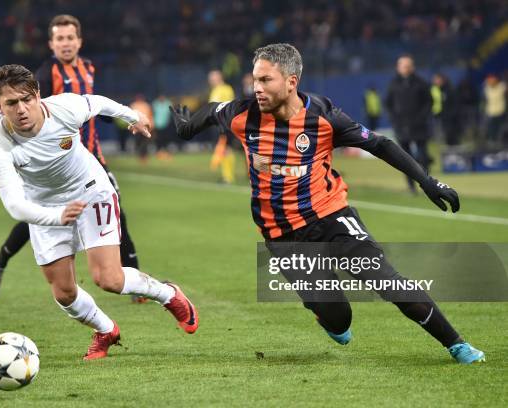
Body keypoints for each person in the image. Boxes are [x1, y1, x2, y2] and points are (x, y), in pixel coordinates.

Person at [170, 43, 484, 364]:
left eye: (266, 80)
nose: (257, 88)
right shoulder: (242, 113)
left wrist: (426, 180)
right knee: (339, 319)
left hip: (331, 215)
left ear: (291, 82)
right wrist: (185, 129)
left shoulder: (323, 117)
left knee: (387, 281)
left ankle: (457, 345)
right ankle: (327, 316)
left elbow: (379, 143)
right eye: (255, 80)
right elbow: (210, 110)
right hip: (283, 237)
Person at [0, 64, 198, 360]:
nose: (21, 109)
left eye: (26, 99)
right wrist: (56, 217)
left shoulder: (64, 108)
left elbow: (97, 102)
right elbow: (14, 205)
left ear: (38, 96)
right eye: (11, 103)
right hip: (46, 208)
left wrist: (132, 116)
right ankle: (105, 329)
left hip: (89, 189)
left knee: (108, 279)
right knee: (64, 293)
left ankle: (169, 295)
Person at [0, 15, 145, 303]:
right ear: (51, 44)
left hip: (88, 157)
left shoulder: (88, 68)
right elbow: (40, 115)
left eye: (70, 38)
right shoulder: (45, 75)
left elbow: (92, 106)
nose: (66, 43)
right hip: (53, 161)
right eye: (60, 39)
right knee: (37, 219)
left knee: (116, 212)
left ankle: (132, 280)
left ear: (79, 41)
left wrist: (123, 119)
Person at [385, 55, 432, 194]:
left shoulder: (421, 83)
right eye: (403, 66)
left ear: (413, 67)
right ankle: (411, 186)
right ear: (398, 68)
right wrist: (395, 120)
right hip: (402, 127)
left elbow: (429, 102)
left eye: (408, 66)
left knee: (423, 157)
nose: (406, 68)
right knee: (405, 159)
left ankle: (427, 185)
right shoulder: (393, 84)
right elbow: (388, 104)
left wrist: (422, 118)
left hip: (419, 126)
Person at [207, 70, 236, 184]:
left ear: (219, 77)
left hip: (225, 124)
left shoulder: (226, 89)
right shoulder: (215, 90)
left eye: (212, 78)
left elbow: (229, 106)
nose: (210, 81)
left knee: (225, 149)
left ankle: (228, 177)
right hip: (218, 124)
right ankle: (226, 176)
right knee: (223, 149)